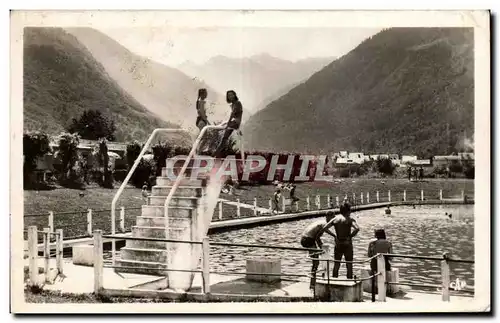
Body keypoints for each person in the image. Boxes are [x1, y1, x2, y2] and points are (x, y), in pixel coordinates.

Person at [300, 218, 338, 289]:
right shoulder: (323, 224)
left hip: (307, 239)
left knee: (315, 262)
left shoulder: (321, 223)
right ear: (328, 217)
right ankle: (312, 284)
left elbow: (317, 237)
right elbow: (318, 236)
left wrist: (321, 247)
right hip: (308, 239)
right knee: (316, 262)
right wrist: (334, 236)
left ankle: (313, 282)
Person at [330, 200, 360, 279]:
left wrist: (334, 236)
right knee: (349, 264)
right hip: (347, 243)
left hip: (338, 243)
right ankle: (349, 281)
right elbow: (357, 228)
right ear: (348, 211)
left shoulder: (335, 219)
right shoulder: (350, 220)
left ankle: (334, 280)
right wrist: (350, 236)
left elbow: (324, 228)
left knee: (336, 264)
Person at [215, 90, 243, 158]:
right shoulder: (233, 104)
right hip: (233, 122)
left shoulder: (237, 103)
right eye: (229, 95)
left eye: (231, 95)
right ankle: (218, 153)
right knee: (223, 136)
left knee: (224, 137)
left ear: (235, 95)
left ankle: (216, 154)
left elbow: (233, 114)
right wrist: (227, 123)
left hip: (235, 123)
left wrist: (228, 124)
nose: (230, 96)